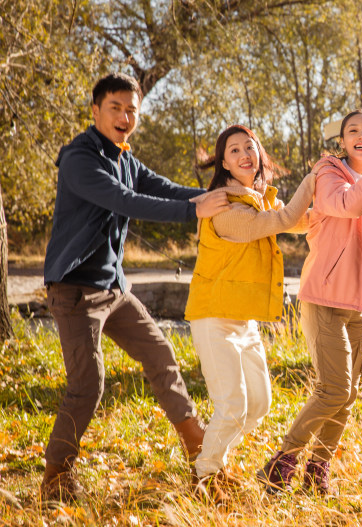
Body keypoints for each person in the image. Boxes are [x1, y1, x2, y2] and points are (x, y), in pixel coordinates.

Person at [41, 72, 231, 502]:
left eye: (132, 110)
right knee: (87, 385)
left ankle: (202, 457)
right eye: (116, 108)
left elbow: (159, 187)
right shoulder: (79, 158)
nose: (125, 117)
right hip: (74, 291)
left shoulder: (124, 156)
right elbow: (125, 200)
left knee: (161, 355)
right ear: (96, 110)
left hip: (113, 288)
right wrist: (194, 212)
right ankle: (54, 482)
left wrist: (221, 193)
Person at [256, 110, 362, 495]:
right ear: (343, 141)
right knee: (332, 388)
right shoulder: (327, 172)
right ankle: (281, 462)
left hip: (358, 304)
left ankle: (317, 471)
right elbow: (347, 205)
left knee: (347, 396)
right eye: (353, 131)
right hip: (322, 297)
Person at [184, 124, 316, 505]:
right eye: (235, 150)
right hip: (213, 318)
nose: (245, 155)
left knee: (259, 404)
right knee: (233, 405)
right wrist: (310, 179)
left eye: (250, 148)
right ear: (223, 162)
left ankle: (214, 455)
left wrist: (335, 202)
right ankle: (205, 476)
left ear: (258, 155)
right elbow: (279, 222)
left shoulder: (259, 199)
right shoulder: (223, 203)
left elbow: (299, 219)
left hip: (245, 321)